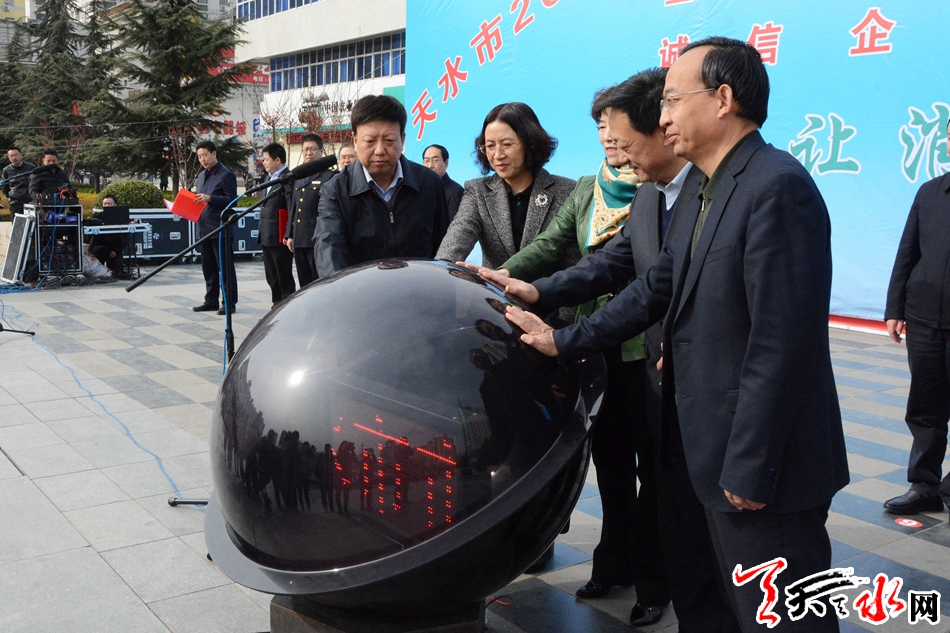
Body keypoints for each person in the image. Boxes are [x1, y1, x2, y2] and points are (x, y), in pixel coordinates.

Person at [497, 38, 849, 632]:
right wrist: (560, 334)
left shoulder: (776, 187)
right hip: (712, 450)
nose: (663, 119)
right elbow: (653, 287)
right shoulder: (706, 191)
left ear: (723, 100)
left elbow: (781, 346)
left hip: (765, 468)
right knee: (718, 604)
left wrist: (750, 466)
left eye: (672, 101)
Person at [883, 120, 950, 517]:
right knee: (925, 407)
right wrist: (895, 308)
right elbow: (907, 251)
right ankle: (924, 485)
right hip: (924, 319)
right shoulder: (930, 192)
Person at [314, 95, 449, 276]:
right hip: (360, 290)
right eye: (370, 141)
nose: (379, 150)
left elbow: (443, 246)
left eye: (389, 141)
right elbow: (329, 250)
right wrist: (342, 288)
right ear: (355, 140)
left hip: (418, 288)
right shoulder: (335, 191)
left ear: (402, 139)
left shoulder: (429, 183)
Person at [435, 103, 577, 272]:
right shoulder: (477, 190)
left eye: (507, 144)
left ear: (530, 143)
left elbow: (573, 263)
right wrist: (440, 270)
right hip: (494, 289)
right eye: (490, 146)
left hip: (548, 289)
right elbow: (458, 236)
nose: (498, 155)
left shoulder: (567, 190)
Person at [284, 133, 336, 289]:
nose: (309, 153)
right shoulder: (298, 176)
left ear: (321, 151)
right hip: (300, 238)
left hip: (317, 237)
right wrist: (290, 234)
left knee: (318, 282)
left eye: (313, 149)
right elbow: (293, 206)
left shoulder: (329, 176)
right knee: (304, 282)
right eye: (305, 149)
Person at [193, 139, 238, 315]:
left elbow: (232, 200)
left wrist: (210, 198)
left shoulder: (226, 175)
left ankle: (229, 303)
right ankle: (210, 300)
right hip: (203, 227)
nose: (202, 159)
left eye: (205, 155)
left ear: (214, 153)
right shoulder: (201, 176)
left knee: (225, 268)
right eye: (199, 157)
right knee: (208, 268)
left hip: (220, 229)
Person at [259, 142, 295, 307]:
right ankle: (276, 304)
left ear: (277, 160)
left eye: (266, 159)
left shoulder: (288, 178)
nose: (264, 163)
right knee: (271, 274)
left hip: (280, 235)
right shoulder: (268, 178)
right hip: (266, 233)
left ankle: (287, 305)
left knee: (283, 274)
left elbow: (291, 206)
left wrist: (289, 233)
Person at [423, 144, 464, 219]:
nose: (430, 165)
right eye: (427, 161)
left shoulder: (456, 191)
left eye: (435, 160)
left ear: (446, 163)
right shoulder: (420, 189)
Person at [88, 194, 125, 278]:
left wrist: (115, 251)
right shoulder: (97, 216)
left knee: (117, 273)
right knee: (99, 251)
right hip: (100, 247)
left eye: (109, 204)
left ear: (115, 205)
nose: (107, 206)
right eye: (105, 204)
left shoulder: (121, 217)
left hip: (114, 248)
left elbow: (125, 239)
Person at [2, 147, 35, 216]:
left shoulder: (31, 167)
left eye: (16, 155)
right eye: (11, 156)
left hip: (30, 201)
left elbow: (36, 183)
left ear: (21, 155)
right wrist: (10, 196)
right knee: (16, 222)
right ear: (9, 157)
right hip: (15, 203)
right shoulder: (6, 170)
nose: (14, 158)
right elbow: (4, 186)